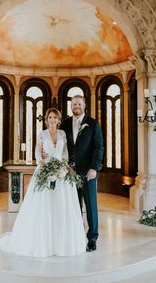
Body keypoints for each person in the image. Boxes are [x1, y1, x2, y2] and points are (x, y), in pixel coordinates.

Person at [0, 108, 86, 257]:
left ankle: (62, 242)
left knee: (62, 206)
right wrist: (43, 163)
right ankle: (42, 242)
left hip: (61, 173)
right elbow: (37, 152)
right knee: (43, 206)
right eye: (50, 117)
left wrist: (63, 165)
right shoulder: (42, 134)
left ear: (59, 120)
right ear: (46, 119)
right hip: (44, 170)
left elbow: (65, 153)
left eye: (55, 117)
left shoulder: (62, 134)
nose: (53, 120)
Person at [60, 95, 104, 252]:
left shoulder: (92, 124)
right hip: (70, 173)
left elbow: (99, 148)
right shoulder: (64, 124)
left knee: (91, 206)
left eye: (79, 103)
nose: (76, 106)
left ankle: (92, 238)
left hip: (88, 173)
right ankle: (77, 234)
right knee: (74, 206)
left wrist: (94, 168)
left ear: (84, 105)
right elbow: (62, 147)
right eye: (73, 104)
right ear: (70, 106)